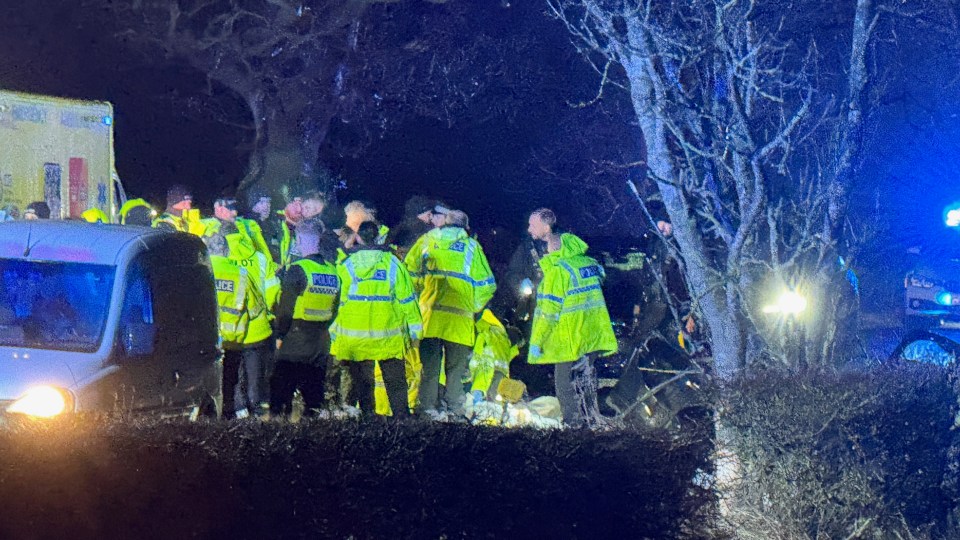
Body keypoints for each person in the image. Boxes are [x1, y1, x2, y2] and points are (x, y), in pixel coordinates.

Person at [526, 208, 618, 428]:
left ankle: (574, 426)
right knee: (586, 381)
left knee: (565, 383)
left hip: (570, 336)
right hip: (593, 335)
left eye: (533, 225)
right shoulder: (588, 264)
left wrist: (537, 342)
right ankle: (590, 421)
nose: (529, 229)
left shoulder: (558, 271)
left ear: (547, 230)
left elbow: (548, 313)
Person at [405, 209, 497, 417]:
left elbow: (409, 274)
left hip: (430, 318)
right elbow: (488, 285)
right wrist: (473, 306)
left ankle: (427, 410)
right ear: (466, 228)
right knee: (455, 372)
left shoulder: (426, 241)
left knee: (429, 370)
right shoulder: (471, 248)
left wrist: (421, 296)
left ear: (444, 224)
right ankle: (455, 410)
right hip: (459, 321)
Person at [330, 221, 422, 418]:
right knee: (396, 384)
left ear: (360, 237)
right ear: (378, 236)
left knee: (363, 384)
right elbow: (407, 299)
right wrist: (415, 331)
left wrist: (333, 333)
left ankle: (369, 422)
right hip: (389, 337)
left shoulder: (346, 265)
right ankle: (402, 423)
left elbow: (338, 302)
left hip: (356, 338)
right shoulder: (393, 264)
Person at [270, 222, 340, 418]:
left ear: (299, 240)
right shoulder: (333, 271)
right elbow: (335, 309)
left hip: (296, 336)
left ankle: (279, 436)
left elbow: (285, 310)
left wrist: (280, 334)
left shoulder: (298, 269)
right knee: (314, 394)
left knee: (282, 391)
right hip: (321, 339)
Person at [205, 228, 272, 418]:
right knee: (234, 380)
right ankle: (237, 413)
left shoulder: (201, 272)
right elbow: (255, 308)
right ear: (227, 251)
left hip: (208, 340)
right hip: (235, 338)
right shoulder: (241, 274)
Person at [245, 188, 283, 264]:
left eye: (268, 202)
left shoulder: (274, 224)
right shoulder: (246, 226)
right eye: (261, 202)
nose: (266, 206)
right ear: (253, 205)